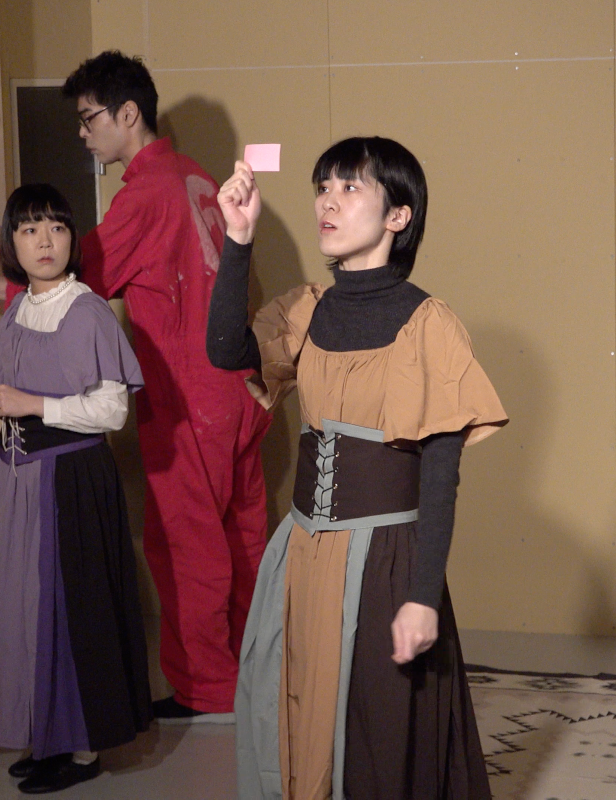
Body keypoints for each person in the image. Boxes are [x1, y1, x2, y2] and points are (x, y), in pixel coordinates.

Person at [0, 51, 271, 723]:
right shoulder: (197, 177)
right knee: (243, 537)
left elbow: (71, 281)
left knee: (187, 546)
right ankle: (255, 673)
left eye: (89, 119)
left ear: (127, 114)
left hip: (191, 397)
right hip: (244, 388)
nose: (83, 134)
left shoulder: (145, 193)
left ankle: (209, 690)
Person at [208, 136, 507, 799]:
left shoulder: (430, 324)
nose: (328, 202)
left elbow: (440, 475)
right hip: (304, 554)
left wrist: (423, 597)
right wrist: (239, 239)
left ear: (398, 215)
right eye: (322, 187)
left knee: (379, 734)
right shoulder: (307, 307)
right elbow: (225, 348)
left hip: (387, 560)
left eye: (350, 188)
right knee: (298, 716)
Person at [0, 184, 151, 794]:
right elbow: (10, 382)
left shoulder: (87, 311)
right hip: (15, 481)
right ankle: (47, 736)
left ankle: (81, 750)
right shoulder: (17, 310)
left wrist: (32, 405)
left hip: (69, 480)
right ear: (11, 243)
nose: (45, 241)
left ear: (71, 239)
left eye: (57, 227)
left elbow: (112, 410)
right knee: (25, 610)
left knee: (69, 612)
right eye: (29, 229)